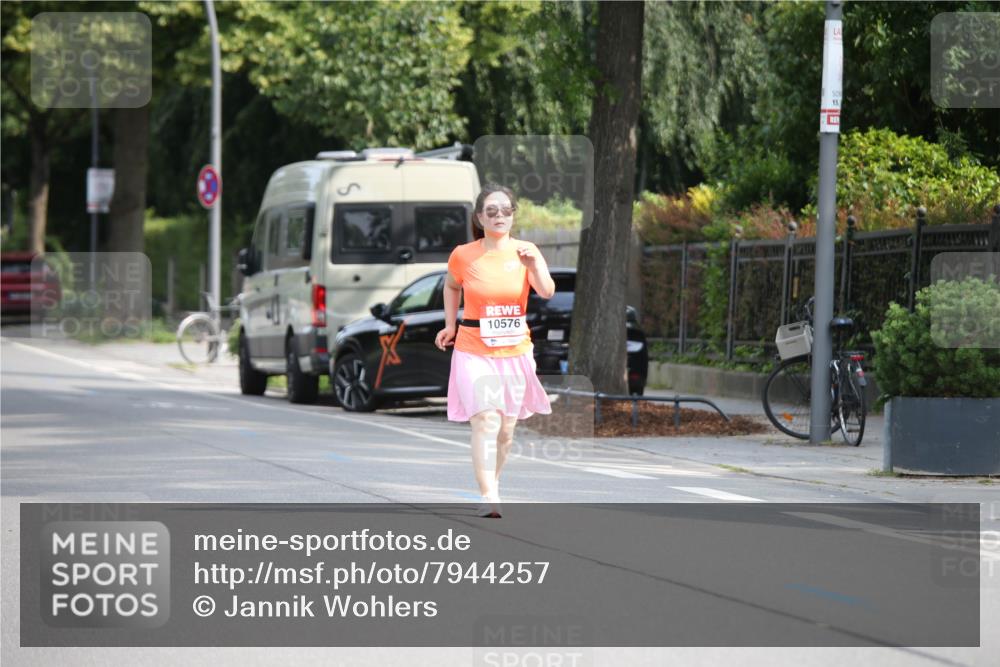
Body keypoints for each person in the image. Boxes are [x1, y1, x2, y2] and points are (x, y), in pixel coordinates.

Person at [435, 184, 555, 518]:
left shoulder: (526, 251)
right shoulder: (463, 254)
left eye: (505, 210)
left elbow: (546, 291)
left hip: (515, 350)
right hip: (473, 349)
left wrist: (533, 266)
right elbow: (451, 285)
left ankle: (493, 484)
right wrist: (450, 324)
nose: (499, 216)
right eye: (491, 211)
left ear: (513, 215)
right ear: (479, 217)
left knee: (505, 430)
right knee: (485, 421)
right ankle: (489, 495)